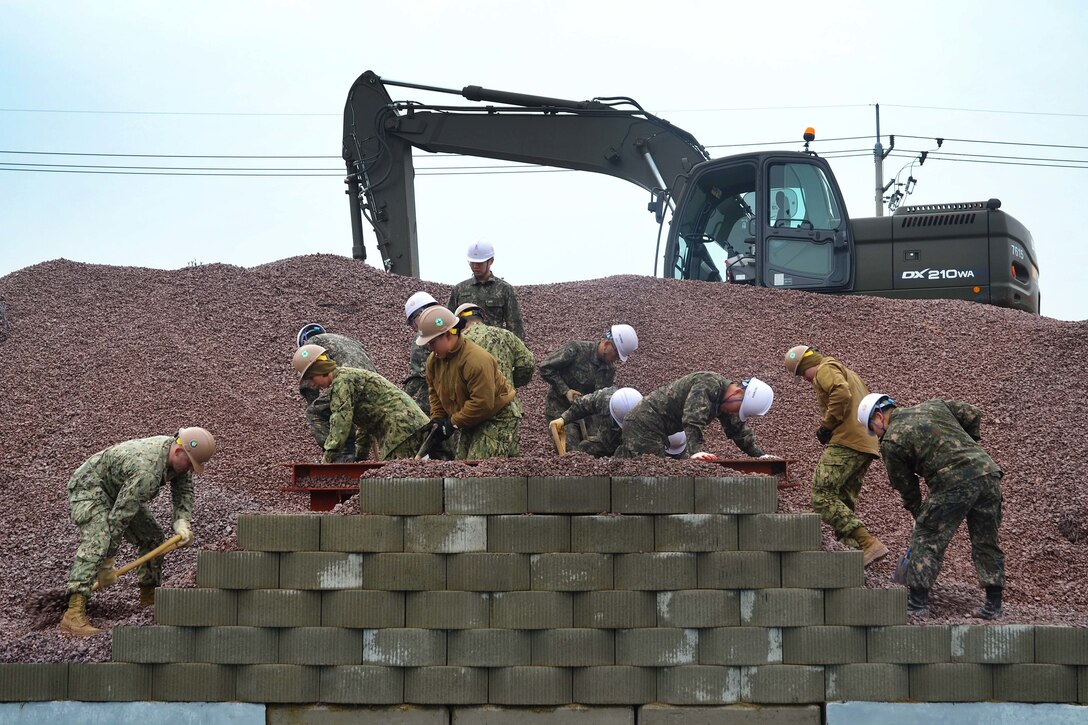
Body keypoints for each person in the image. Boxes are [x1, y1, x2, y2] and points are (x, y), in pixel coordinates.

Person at [858, 393, 1005, 619]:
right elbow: (973, 413)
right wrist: (965, 445)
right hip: (987, 472)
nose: (876, 434)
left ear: (879, 417)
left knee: (927, 536)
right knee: (986, 540)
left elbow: (905, 485)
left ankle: (917, 603)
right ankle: (993, 605)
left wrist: (919, 513)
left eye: (873, 429)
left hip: (954, 481)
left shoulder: (891, 440)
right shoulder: (934, 406)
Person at [60, 427, 216, 636]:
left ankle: (148, 599)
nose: (189, 470)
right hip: (91, 488)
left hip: (121, 489)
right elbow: (120, 517)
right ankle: (73, 613)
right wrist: (107, 562)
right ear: (178, 452)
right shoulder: (147, 471)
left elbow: (184, 490)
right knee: (99, 541)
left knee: (152, 537)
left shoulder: (178, 456)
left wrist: (182, 520)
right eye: (189, 465)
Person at [785, 345, 888, 567]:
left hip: (847, 441)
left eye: (802, 375)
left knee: (821, 496)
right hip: (866, 444)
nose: (805, 380)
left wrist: (827, 425)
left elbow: (840, 392)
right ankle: (850, 551)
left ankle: (868, 542)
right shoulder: (850, 372)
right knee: (842, 500)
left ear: (806, 367)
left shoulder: (825, 368)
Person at [292, 344, 429, 463]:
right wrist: (360, 457)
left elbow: (341, 421)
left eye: (311, 378)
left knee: (395, 485)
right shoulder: (347, 378)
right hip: (410, 426)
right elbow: (367, 421)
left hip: (401, 429)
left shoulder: (343, 381)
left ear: (319, 370)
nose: (313, 384)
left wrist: (328, 458)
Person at [416, 305, 520, 460]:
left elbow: (482, 403)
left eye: (432, 342)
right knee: (462, 466)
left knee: (477, 470)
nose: (430, 348)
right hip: (470, 418)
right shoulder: (434, 361)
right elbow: (434, 392)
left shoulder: (476, 360)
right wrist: (438, 419)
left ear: (449, 334)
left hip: (497, 417)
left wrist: (451, 424)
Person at [615, 373, 774, 460]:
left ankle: (618, 459)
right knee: (655, 471)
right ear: (738, 393)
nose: (734, 414)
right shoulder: (709, 384)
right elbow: (692, 419)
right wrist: (696, 451)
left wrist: (760, 455)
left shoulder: (726, 401)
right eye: (738, 409)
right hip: (644, 423)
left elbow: (737, 431)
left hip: (659, 429)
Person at [538, 324, 638, 449]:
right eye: (616, 355)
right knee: (569, 453)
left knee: (596, 450)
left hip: (588, 416)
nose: (616, 360)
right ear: (607, 344)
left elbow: (602, 397)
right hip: (560, 410)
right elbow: (545, 368)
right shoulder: (576, 350)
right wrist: (565, 390)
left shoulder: (609, 370)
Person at [296, 323, 378, 461]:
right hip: (372, 382)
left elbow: (309, 388)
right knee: (352, 412)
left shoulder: (309, 348)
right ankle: (354, 455)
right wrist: (361, 458)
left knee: (315, 412)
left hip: (349, 379)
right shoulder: (345, 341)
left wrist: (314, 406)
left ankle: (341, 453)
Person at [447, 239, 526, 340]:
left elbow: (515, 325)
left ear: (491, 261)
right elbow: (449, 321)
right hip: (465, 348)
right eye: (472, 262)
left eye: (480, 263)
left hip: (493, 348)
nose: (475, 266)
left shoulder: (504, 289)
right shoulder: (459, 289)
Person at [454, 303, 535, 400]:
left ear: (460, 322)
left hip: (474, 408)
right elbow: (527, 363)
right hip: (508, 406)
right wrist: (510, 382)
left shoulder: (459, 342)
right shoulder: (507, 335)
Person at [549, 386, 642, 457]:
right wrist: (563, 419)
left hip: (630, 445)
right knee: (583, 448)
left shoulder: (646, 414)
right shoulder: (603, 398)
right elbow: (582, 405)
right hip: (606, 442)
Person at [403, 292, 440, 414]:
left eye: (412, 322)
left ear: (420, 314)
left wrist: (400, 397)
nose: (413, 328)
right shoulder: (451, 324)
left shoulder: (422, 335)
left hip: (435, 397)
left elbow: (418, 376)